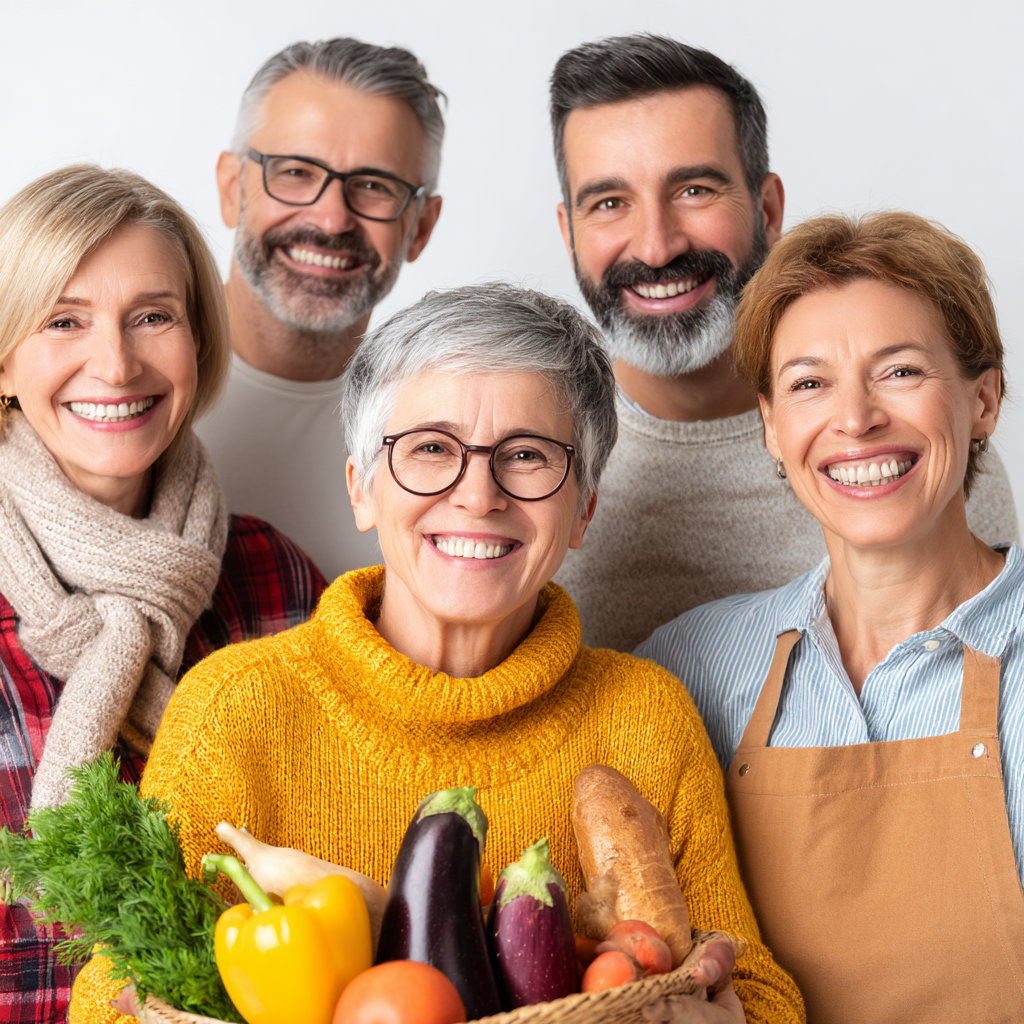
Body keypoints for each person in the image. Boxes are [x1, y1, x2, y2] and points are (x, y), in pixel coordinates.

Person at [71, 284, 805, 1024]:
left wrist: (725, 1010)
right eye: (430, 449)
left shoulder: (644, 715)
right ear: (362, 489)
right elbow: (111, 991)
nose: (478, 494)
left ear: (582, 508)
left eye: (526, 454)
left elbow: (763, 991)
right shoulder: (234, 707)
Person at [638, 211, 1024, 1022]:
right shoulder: (688, 670)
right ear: (772, 429)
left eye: (900, 371)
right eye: (810, 383)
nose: (855, 419)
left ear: (983, 399)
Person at [549, 34, 1019, 652]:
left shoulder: (920, 455)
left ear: (768, 208)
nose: (656, 246)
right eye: (609, 203)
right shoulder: (529, 468)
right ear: (569, 232)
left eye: (694, 191)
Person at [0, 165, 326, 1022]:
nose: (115, 363)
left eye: (154, 316)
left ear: (196, 344)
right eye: (63, 320)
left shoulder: (277, 581)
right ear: (2, 359)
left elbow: (358, 848)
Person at [196, 37, 445, 581]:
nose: (332, 219)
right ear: (232, 187)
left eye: (374, 186)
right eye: (295, 173)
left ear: (420, 227)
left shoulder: (448, 433)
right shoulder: (112, 385)